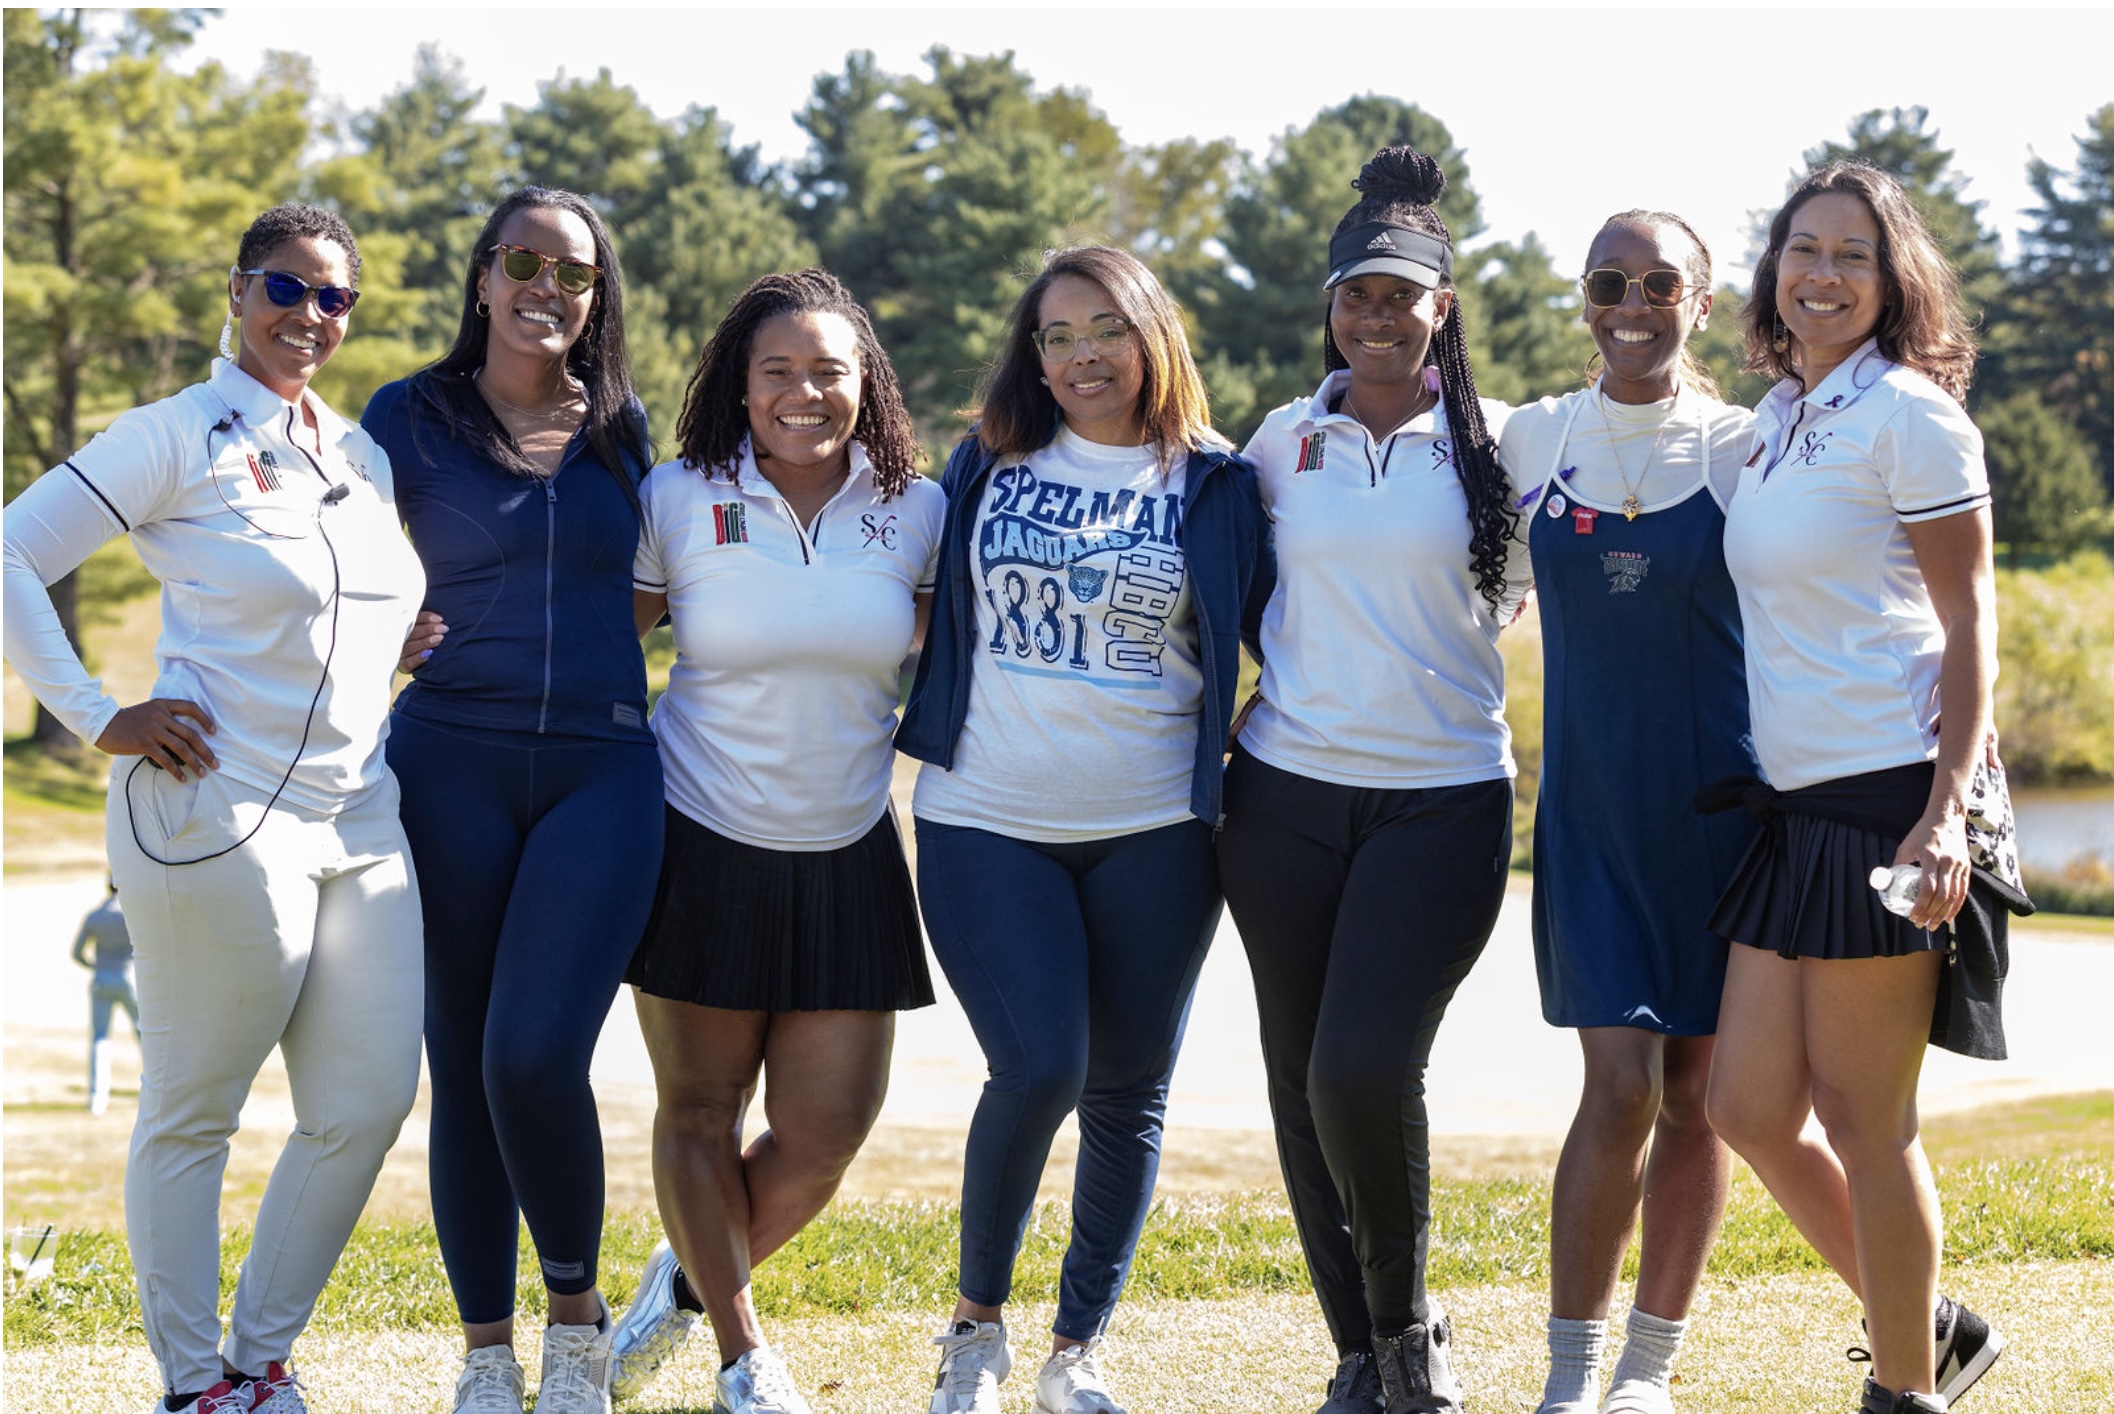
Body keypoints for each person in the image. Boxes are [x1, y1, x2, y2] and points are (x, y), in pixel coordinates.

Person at [3, 202, 425, 1414]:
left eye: (333, 297)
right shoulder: (175, 433)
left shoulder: (359, 454)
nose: (309, 315)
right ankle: (196, 1388)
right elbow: (13, 552)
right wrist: (95, 713)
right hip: (214, 808)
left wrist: (397, 640)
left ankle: (260, 1362)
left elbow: (338, 606)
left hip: (361, 817)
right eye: (285, 289)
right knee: (196, 1109)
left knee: (363, 1104)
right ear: (237, 294)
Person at [895, 245, 1272, 1414]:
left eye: (1104, 327)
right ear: (1033, 357)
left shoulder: (1217, 482)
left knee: (1126, 1088)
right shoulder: (981, 467)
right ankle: (974, 1329)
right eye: (1055, 336)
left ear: (1151, 334)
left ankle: (1075, 1351)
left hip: (1158, 825)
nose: (1080, 355)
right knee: (1040, 1062)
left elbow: (1288, 625)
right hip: (984, 819)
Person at [602, 269, 942, 1414]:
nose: (805, 391)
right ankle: (745, 1358)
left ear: (867, 384)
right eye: (777, 371)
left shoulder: (919, 509)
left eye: (828, 371)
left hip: (849, 846)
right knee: (697, 1110)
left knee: (825, 1133)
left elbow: (967, 658)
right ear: (739, 388)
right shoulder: (674, 494)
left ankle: (692, 1279)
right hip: (694, 834)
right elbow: (593, 640)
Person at [1215, 146, 1521, 1414]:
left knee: (1358, 1067)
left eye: (1402, 295)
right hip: (1280, 799)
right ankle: (1360, 1355)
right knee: (1296, 1082)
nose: (1378, 316)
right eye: (1357, 295)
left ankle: (1406, 1339)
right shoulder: (1282, 442)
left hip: (1441, 803)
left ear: (1442, 307)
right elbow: (1231, 594)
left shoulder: (1503, 441)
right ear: (1330, 306)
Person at [1704, 160, 2010, 1414]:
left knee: (1862, 1117)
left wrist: (1943, 812)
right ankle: (1929, 1329)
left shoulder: (1909, 415)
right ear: (1773, 272)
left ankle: (1904, 1392)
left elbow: (1969, 616)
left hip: (1888, 796)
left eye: (1850, 256)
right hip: (1792, 805)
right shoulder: (1779, 419)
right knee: (1743, 1105)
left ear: (1892, 283)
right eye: (1800, 251)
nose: (1820, 274)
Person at [361, 187, 659, 1414]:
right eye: (525, 262)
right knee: (463, 1060)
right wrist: (385, 631)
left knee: (534, 1055)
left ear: (597, 298)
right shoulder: (403, 417)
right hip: (446, 763)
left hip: (599, 766)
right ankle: (488, 1353)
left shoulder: (626, 431)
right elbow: (321, 561)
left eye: (574, 273)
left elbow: (657, 582)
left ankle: (576, 1321)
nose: (549, 287)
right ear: (482, 277)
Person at [1499, 212, 1757, 1414]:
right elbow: (1462, 594)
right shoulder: (1529, 439)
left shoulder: (1746, 449)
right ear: (1582, 296)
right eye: (1609, 279)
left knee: (1698, 1093)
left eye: (1661, 281)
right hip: (1591, 818)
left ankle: (1646, 1374)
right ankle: (1568, 1373)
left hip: (1722, 816)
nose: (1632, 300)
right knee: (1616, 1087)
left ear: (1699, 301)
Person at [72, 875, 139, 1116]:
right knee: (145, 1034)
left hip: (101, 979)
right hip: (131, 979)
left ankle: (97, 1099)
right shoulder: (131, 914)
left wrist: (95, 966)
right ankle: (155, 1090)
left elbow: (77, 952)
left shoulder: (96, 915)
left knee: (100, 1038)